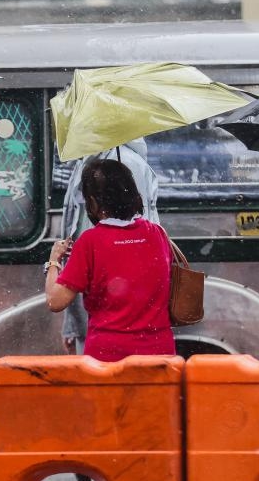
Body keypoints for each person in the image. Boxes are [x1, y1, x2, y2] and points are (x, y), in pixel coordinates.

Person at [44, 158, 173, 362]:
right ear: (133, 194)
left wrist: (53, 262)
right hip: (159, 354)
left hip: (107, 356)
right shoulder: (157, 234)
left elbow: (55, 301)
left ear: (93, 202)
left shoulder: (90, 242)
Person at [60, 139, 160, 355]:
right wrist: (72, 323)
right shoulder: (92, 161)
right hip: (102, 322)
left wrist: (52, 262)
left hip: (109, 329)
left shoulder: (115, 165)